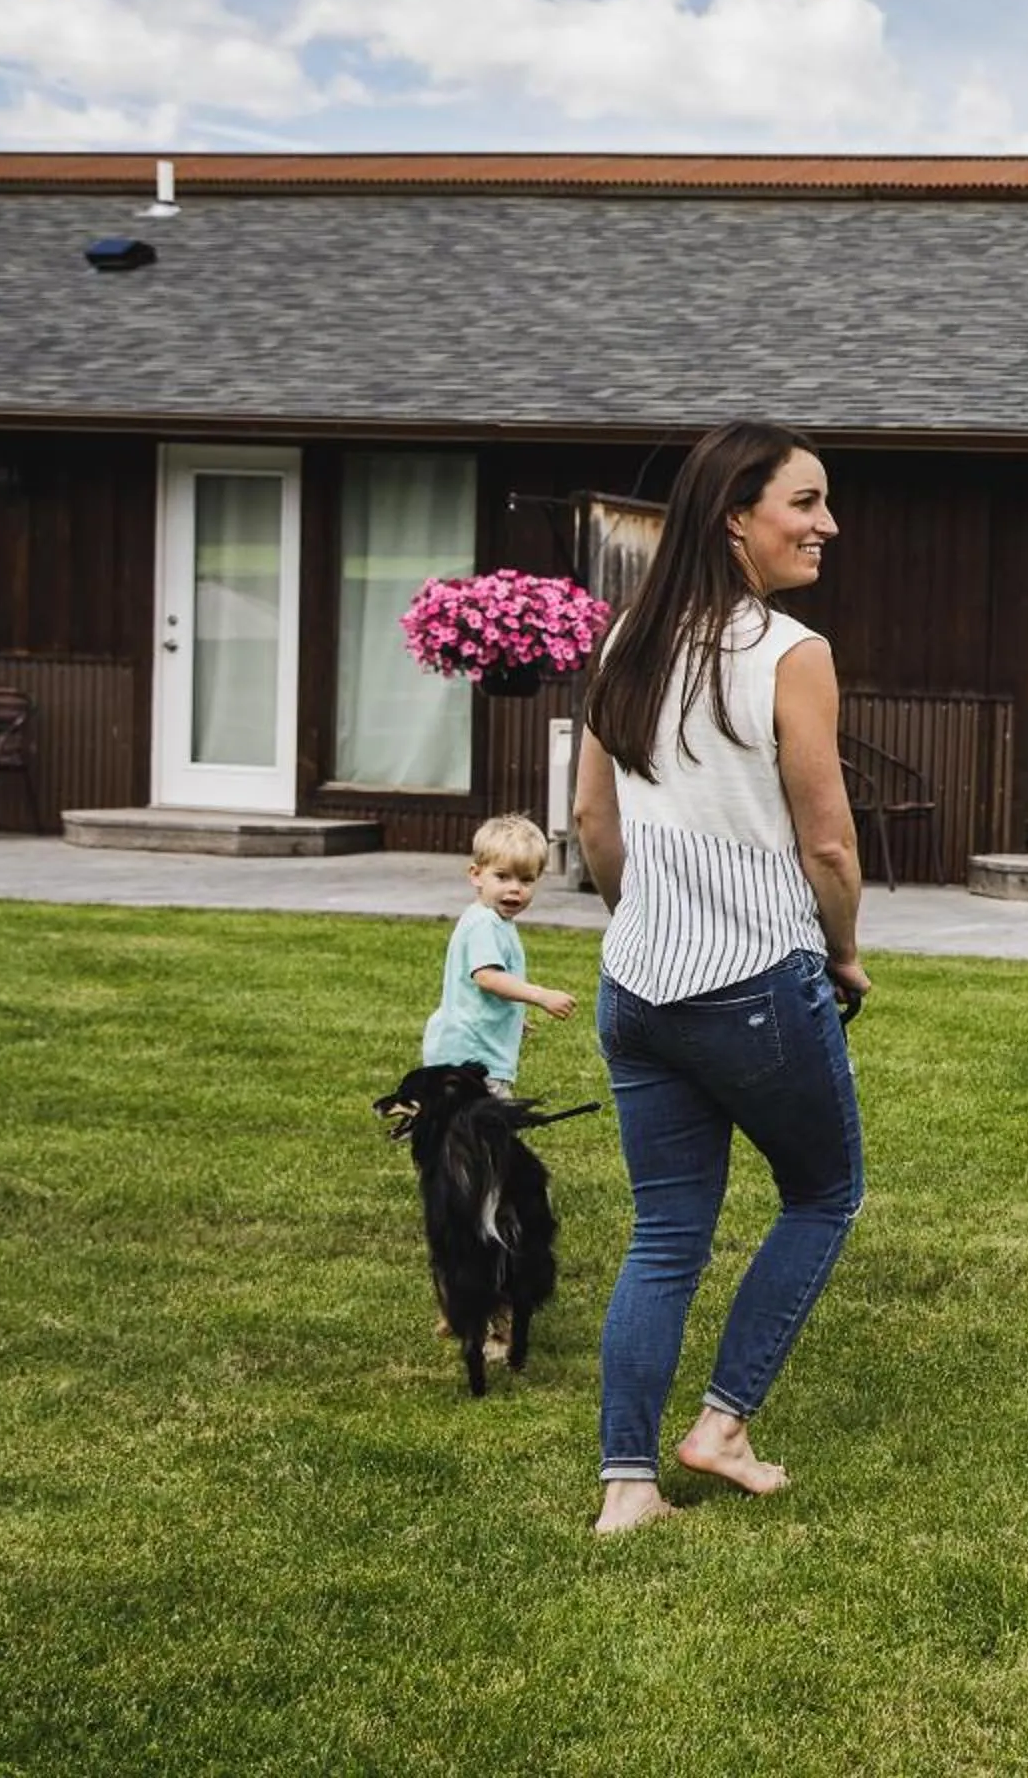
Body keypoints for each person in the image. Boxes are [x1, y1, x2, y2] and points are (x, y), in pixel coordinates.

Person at [572, 419, 869, 1538]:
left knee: (663, 1234)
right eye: (806, 501)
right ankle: (723, 1423)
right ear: (733, 514)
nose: (826, 524)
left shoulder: (623, 646)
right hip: (755, 979)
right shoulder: (792, 653)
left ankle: (628, 1485)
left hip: (635, 988)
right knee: (824, 1191)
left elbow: (595, 822)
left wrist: (641, 917)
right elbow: (829, 846)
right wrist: (841, 950)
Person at [421, 812, 578, 1096]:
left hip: (464, 1053)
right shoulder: (485, 923)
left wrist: (511, 1017)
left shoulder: (491, 920)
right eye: (502, 876)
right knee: (485, 1131)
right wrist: (541, 996)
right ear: (476, 875)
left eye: (526, 880)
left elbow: (481, 993)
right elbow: (488, 978)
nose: (515, 889)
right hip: (472, 1061)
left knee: (462, 1131)